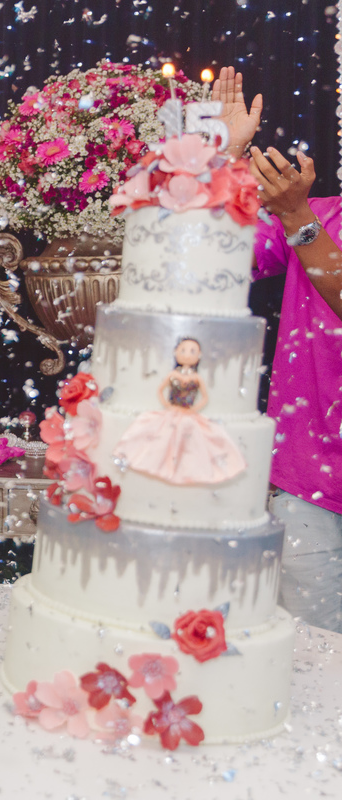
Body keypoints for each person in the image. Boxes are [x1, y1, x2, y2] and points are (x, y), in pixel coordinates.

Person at [215, 68, 342, 633]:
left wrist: (296, 215)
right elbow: (218, 253)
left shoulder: (308, 217)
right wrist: (224, 155)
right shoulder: (325, 213)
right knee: (314, 664)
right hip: (310, 482)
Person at [112, 337, 245, 484]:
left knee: (193, 441)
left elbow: (204, 397)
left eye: (192, 351)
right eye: (183, 350)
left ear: (199, 355)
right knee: (160, 438)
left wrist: (194, 409)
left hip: (188, 414)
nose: (187, 354)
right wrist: (168, 406)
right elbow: (160, 390)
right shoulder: (173, 375)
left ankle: (189, 469)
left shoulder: (196, 378)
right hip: (172, 412)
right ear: (176, 352)